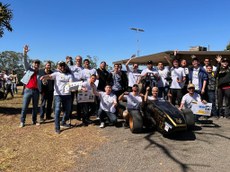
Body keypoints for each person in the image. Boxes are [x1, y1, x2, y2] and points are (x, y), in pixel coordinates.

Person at [40, 61, 73, 134]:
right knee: (57, 110)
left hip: (67, 95)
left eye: (63, 65)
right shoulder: (56, 74)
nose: (62, 67)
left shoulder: (69, 75)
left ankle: (63, 122)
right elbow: (49, 76)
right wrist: (44, 77)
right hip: (58, 95)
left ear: (65, 66)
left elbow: (71, 84)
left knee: (67, 110)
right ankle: (57, 127)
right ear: (59, 67)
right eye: (60, 66)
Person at [20, 45, 42, 127]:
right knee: (25, 106)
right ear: (33, 64)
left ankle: (34, 120)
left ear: (39, 65)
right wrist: (25, 53)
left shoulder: (40, 72)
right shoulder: (28, 69)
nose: (36, 64)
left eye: (38, 63)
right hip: (28, 90)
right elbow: (24, 61)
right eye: (35, 63)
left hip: (36, 91)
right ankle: (22, 121)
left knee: (35, 107)